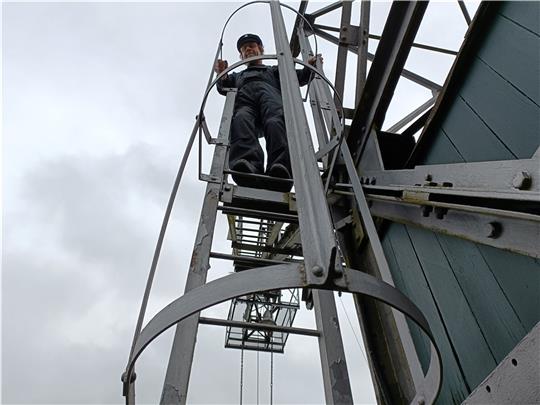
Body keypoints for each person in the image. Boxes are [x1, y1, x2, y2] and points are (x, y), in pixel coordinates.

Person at [214, 33, 321, 192]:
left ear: (261, 49)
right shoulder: (238, 76)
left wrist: (309, 67)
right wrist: (221, 74)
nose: (248, 50)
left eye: (252, 46)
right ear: (241, 55)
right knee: (240, 119)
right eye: (244, 49)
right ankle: (247, 164)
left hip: (270, 101)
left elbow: (297, 78)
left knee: (275, 122)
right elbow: (224, 87)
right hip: (246, 103)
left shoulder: (273, 70)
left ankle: (281, 168)